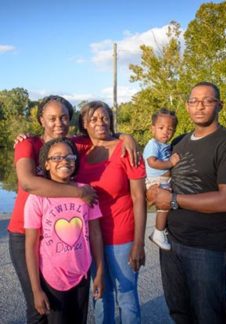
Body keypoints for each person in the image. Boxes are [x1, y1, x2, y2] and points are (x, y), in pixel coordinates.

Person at [9, 95, 137, 323]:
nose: (59, 123)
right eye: (52, 118)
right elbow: (28, 182)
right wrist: (80, 193)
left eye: (64, 117)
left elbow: (102, 133)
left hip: (59, 234)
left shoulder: (73, 144)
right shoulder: (29, 144)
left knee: (72, 304)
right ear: (40, 120)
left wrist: (126, 137)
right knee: (38, 306)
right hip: (25, 232)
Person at [148, 81, 226, 323]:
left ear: (220, 105)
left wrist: (172, 200)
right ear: (186, 106)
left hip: (208, 246)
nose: (200, 106)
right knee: (179, 312)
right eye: (194, 101)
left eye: (207, 100)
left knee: (209, 315)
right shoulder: (178, 142)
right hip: (171, 242)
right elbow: (160, 176)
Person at [76, 101, 146, 324]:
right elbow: (49, 142)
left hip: (121, 235)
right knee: (100, 292)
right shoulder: (82, 150)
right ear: (84, 124)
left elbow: (139, 197)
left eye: (105, 117)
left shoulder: (126, 150)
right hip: (90, 236)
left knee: (126, 294)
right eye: (94, 119)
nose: (100, 123)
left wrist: (139, 243)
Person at [24, 137, 104, 323]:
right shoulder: (38, 198)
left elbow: (96, 234)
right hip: (53, 279)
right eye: (56, 157)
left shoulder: (86, 192)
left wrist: (99, 273)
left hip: (82, 275)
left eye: (70, 157)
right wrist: (36, 290)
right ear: (46, 164)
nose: (65, 161)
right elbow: (31, 245)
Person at [143, 108, 180, 250]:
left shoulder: (165, 145)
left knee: (166, 207)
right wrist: (170, 163)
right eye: (161, 128)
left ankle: (161, 228)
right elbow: (152, 162)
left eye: (170, 129)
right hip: (155, 181)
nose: (166, 131)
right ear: (153, 129)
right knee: (164, 207)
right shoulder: (153, 144)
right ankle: (158, 233)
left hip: (162, 181)